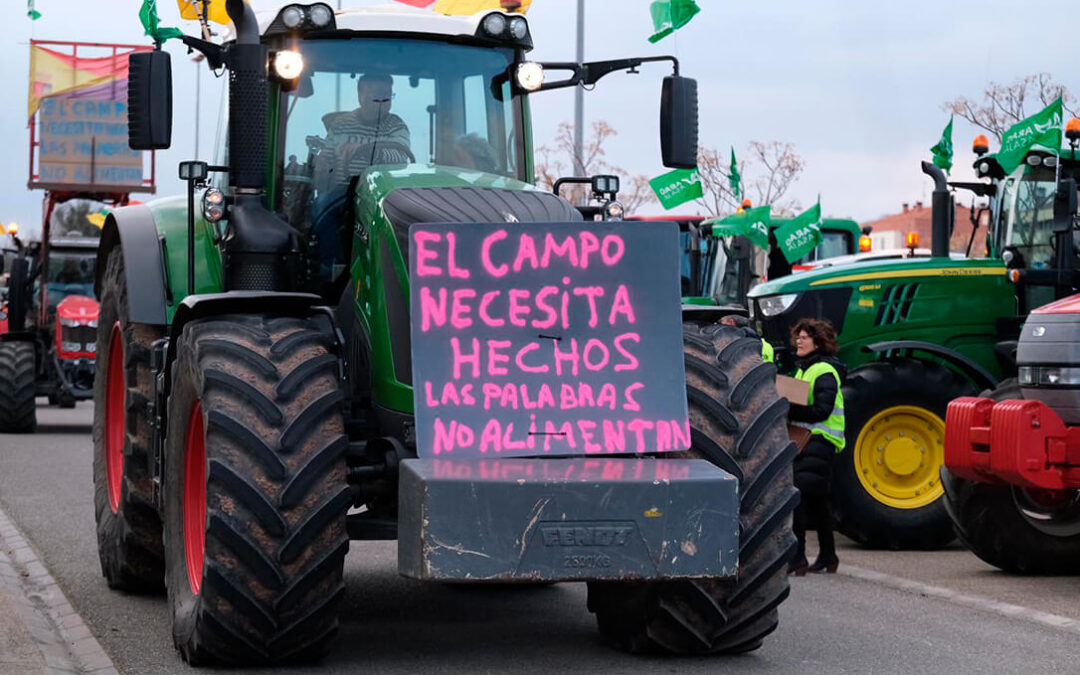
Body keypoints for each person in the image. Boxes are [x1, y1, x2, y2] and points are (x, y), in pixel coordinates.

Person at [307, 73, 413, 280]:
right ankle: (333, 268)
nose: (381, 102)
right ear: (360, 95)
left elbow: (401, 155)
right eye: (375, 96)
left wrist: (363, 149)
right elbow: (328, 159)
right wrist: (324, 161)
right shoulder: (341, 125)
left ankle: (396, 274)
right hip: (345, 190)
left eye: (386, 96)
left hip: (383, 194)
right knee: (320, 207)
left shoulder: (395, 126)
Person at [786, 318, 846, 575]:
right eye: (797, 336)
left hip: (819, 440)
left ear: (818, 342)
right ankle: (828, 556)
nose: (798, 340)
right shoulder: (805, 370)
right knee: (818, 502)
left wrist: (787, 405)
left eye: (804, 337)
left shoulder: (823, 370)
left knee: (797, 497)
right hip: (809, 441)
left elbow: (822, 410)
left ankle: (798, 558)